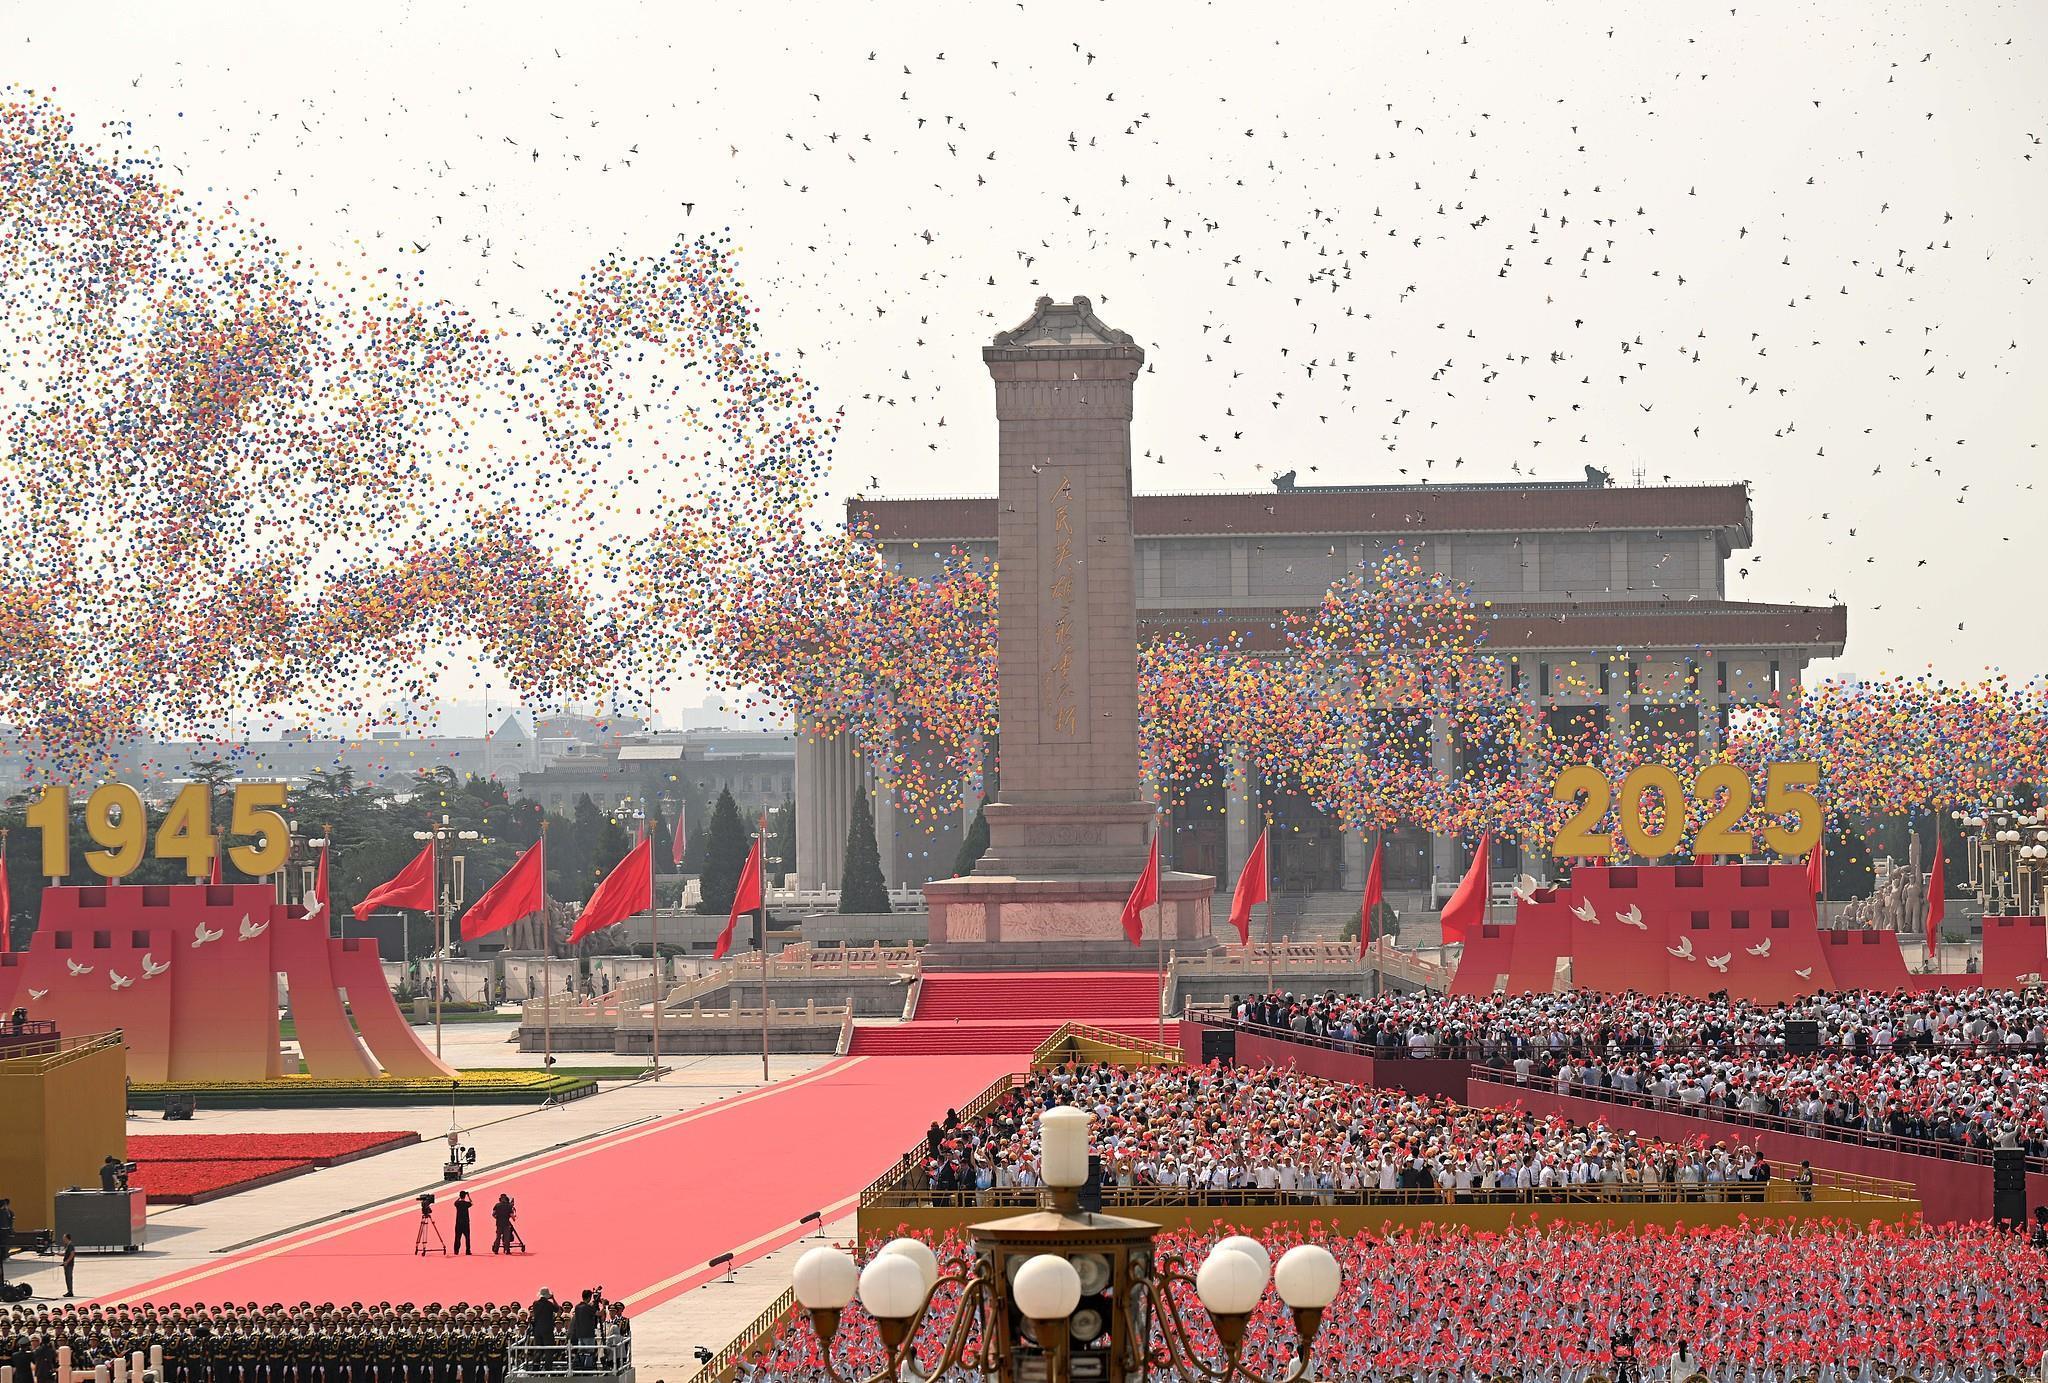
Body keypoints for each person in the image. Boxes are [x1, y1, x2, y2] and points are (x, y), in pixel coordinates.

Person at [568, 1291, 598, 1370]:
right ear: (589, 1298)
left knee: (581, 1352)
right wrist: (604, 1305)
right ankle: (587, 1369)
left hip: (580, 1335)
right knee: (589, 1353)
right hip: (588, 1334)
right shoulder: (588, 1307)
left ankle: (580, 1368)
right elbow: (599, 1314)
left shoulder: (577, 1307)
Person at [527, 1289, 557, 1353]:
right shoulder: (549, 1304)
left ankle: (537, 1359)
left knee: (538, 1350)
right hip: (547, 1330)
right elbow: (557, 1309)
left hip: (537, 1330)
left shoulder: (535, 1303)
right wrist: (553, 1298)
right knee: (549, 1350)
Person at [61, 1233, 76, 1297]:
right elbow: (66, 1254)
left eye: (64, 1238)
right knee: (67, 1278)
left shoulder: (70, 1245)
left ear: (67, 1238)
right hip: (66, 1264)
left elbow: (72, 1254)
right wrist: (58, 1254)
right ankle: (69, 1291)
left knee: (69, 1278)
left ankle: (70, 1292)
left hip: (69, 1264)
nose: (63, 1239)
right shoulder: (67, 1245)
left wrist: (67, 1262)